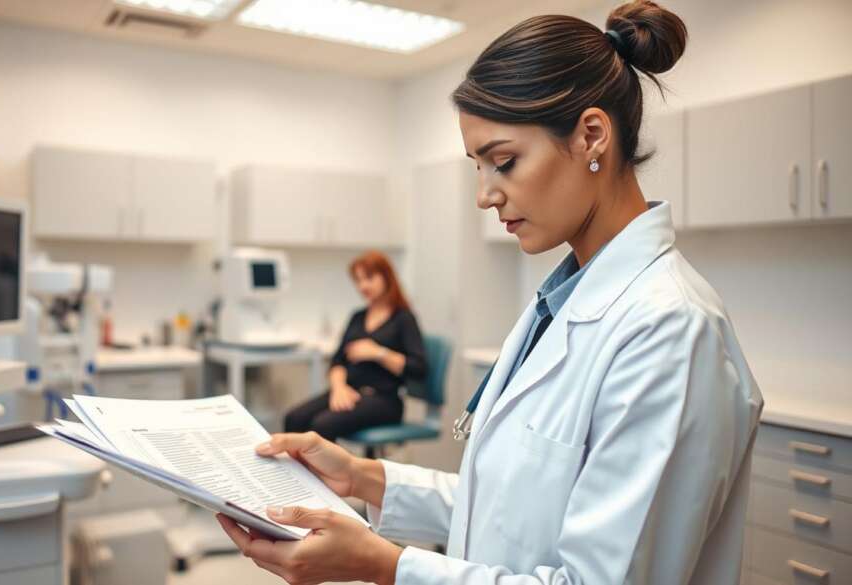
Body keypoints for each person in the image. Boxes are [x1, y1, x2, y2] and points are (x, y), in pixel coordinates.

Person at [218, 2, 763, 584]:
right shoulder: (555, 307)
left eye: (503, 162)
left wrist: (384, 564)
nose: (485, 195)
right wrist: (363, 477)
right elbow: (510, 510)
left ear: (592, 136)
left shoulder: (670, 330)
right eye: (479, 166)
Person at [284, 250, 427, 442]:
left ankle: (326, 473)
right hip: (348, 391)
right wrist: (339, 389)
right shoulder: (357, 317)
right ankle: (296, 473)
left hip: (384, 400)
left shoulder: (403, 319)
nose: (362, 286)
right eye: (358, 280)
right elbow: (337, 361)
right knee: (294, 419)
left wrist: (378, 352)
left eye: (369, 278)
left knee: (322, 425)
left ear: (386, 277)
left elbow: (419, 368)